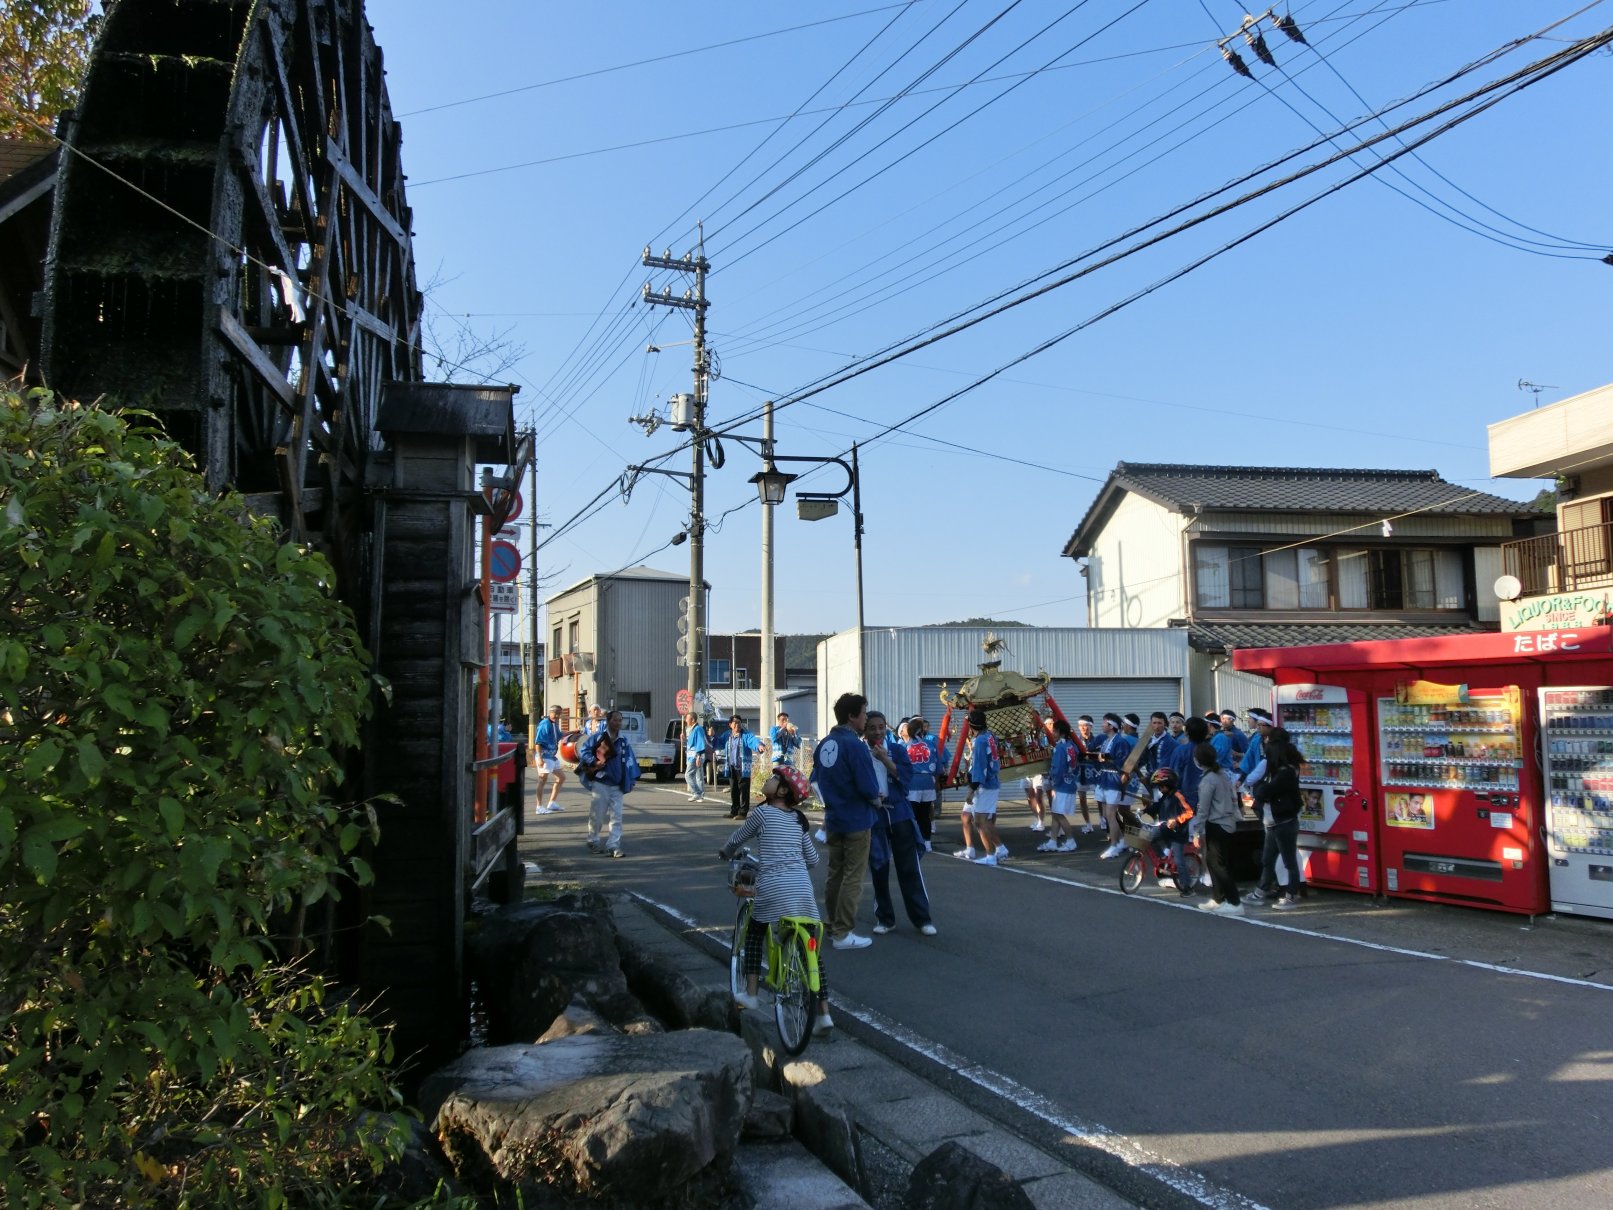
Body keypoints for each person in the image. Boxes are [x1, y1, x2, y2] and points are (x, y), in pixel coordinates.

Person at [720, 766, 834, 1033]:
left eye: (773, 779)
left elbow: (737, 838)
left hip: (773, 886)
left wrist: (726, 851)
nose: (768, 781)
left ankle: (750, 993)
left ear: (782, 790)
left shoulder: (762, 813)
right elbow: (814, 860)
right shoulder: (798, 820)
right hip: (803, 891)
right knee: (813, 955)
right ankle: (824, 1015)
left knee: (755, 934)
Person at [811, 692, 881, 950]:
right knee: (853, 876)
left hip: (834, 817)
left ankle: (832, 925)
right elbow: (868, 786)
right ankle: (843, 932)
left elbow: (814, 780)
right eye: (863, 713)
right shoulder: (855, 745)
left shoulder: (825, 743)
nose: (865, 717)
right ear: (852, 716)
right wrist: (876, 798)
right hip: (857, 817)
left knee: (835, 874)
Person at [865, 711, 936, 936]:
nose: (877, 731)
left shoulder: (897, 749)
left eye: (881, 726)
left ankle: (922, 918)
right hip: (875, 816)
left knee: (909, 867)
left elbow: (905, 779)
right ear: (864, 730)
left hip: (900, 814)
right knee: (878, 866)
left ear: (887, 727)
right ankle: (885, 918)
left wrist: (885, 759)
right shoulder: (860, 752)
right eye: (872, 727)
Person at [1246, 728, 1305, 909]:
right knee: (1268, 858)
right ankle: (1261, 890)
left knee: (1288, 860)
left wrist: (1261, 789)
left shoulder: (1285, 772)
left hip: (1284, 821)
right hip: (1273, 820)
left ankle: (1292, 894)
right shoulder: (1278, 769)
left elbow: (1263, 790)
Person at [1190, 740, 1243, 914]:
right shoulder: (1222, 774)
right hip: (1226, 822)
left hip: (1217, 823)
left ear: (1199, 761)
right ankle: (1218, 898)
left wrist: (1196, 830)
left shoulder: (1208, 780)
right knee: (1214, 862)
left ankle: (1234, 902)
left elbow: (1203, 809)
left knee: (1218, 863)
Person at [578, 709, 639, 858]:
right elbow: (583, 751)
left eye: (620, 720)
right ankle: (593, 840)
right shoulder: (598, 737)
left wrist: (631, 779)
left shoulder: (623, 741)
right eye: (614, 720)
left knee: (616, 817)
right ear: (608, 721)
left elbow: (630, 761)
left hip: (617, 785)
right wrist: (594, 762)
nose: (618, 723)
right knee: (597, 816)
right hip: (601, 783)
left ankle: (613, 845)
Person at [956, 709, 1006, 865]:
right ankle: (1000, 848)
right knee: (982, 820)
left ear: (971, 725)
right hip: (991, 782)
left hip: (985, 785)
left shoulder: (980, 741)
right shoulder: (990, 736)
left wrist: (971, 789)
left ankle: (991, 855)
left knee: (980, 821)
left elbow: (979, 767)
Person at [1144, 766, 1196, 893]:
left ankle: (1187, 887)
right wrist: (1146, 810)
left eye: (1161, 786)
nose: (1160, 790)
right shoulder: (1164, 796)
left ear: (1169, 784)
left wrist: (1177, 821)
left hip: (1178, 833)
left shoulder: (1178, 796)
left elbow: (1189, 812)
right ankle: (1162, 858)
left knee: (1179, 861)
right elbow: (1157, 806)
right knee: (1147, 837)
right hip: (1164, 829)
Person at [902, 716, 947, 849]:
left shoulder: (905, 747)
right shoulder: (931, 745)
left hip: (912, 783)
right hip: (928, 783)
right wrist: (936, 782)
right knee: (925, 814)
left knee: (913, 815)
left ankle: (915, 841)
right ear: (922, 731)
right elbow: (939, 768)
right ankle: (927, 843)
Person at [1097, 713, 1136, 859]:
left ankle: (1114, 846)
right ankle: (1121, 841)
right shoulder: (1107, 740)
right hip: (1105, 779)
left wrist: (1107, 758)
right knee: (1108, 814)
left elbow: (1123, 761)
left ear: (1111, 726)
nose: (1102, 725)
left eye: (1105, 723)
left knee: (1111, 814)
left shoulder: (1120, 741)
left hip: (1113, 780)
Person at [1040, 719, 1081, 852]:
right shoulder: (1072, 745)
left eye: (1054, 731)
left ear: (1059, 732)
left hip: (1061, 785)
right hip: (1070, 783)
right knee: (1056, 813)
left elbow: (1058, 768)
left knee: (1058, 814)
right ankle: (1053, 840)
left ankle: (1071, 840)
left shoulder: (1060, 747)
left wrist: (1052, 780)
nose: (1053, 734)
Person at [724, 716, 765, 819]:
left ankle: (743, 812)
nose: (737, 725)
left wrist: (759, 745)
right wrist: (712, 736)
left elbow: (753, 740)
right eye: (735, 723)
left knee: (744, 790)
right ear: (730, 725)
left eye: (739, 722)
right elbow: (718, 742)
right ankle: (734, 811)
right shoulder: (727, 735)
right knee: (734, 789)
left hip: (743, 767)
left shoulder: (746, 735)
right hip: (731, 766)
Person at [532, 704, 567, 815]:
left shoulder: (554, 724)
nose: (557, 715)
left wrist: (572, 732)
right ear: (550, 713)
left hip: (552, 756)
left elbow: (559, 735)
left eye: (559, 713)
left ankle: (551, 803)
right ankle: (539, 806)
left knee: (561, 777)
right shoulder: (545, 724)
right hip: (544, 755)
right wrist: (540, 758)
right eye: (555, 713)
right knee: (542, 779)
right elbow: (538, 742)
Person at [1074, 715, 1101, 833]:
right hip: (1081, 773)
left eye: (1086, 725)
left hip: (1095, 772)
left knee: (1100, 798)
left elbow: (1100, 756)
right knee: (1082, 798)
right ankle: (1088, 823)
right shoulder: (1075, 740)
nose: (1084, 728)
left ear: (1091, 727)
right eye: (1081, 726)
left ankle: (1103, 820)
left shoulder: (1096, 741)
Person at [683, 712, 708, 803]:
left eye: (687, 718)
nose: (686, 720)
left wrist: (698, 756)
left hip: (695, 756)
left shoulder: (698, 729)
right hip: (692, 755)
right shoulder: (692, 730)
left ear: (692, 720)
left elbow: (700, 743)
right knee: (698, 775)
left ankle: (697, 793)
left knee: (688, 775)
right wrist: (684, 740)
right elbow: (690, 744)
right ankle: (699, 794)